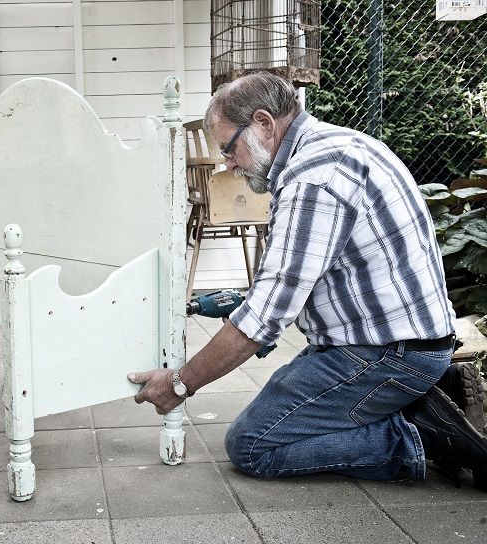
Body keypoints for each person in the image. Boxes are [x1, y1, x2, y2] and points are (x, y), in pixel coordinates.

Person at [128, 71, 487, 487]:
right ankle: (445, 390)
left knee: (254, 444)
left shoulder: (312, 179)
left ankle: (422, 438)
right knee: (286, 410)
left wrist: (180, 383)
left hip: (389, 353)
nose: (229, 164)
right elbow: (293, 282)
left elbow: (264, 317)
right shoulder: (343, 144)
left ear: (264, 123)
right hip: (396, 341)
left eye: (229, 148)